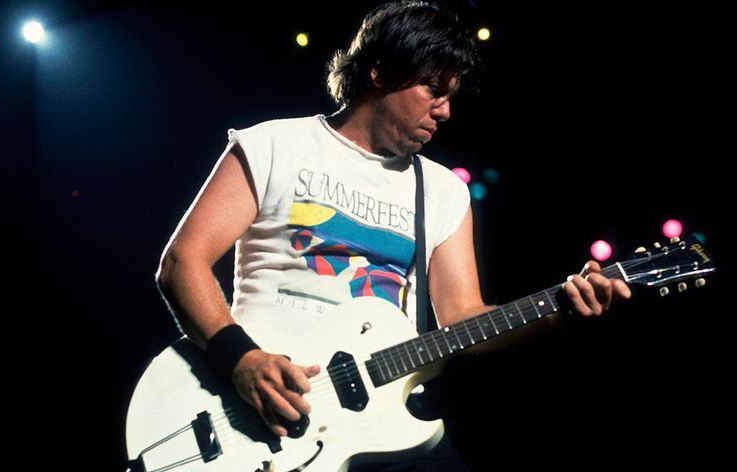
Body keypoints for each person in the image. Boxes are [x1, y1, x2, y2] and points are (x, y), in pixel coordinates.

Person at [156, 1, 631, 470]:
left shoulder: (443, 191)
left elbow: (463, 321)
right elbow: (182, 263)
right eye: (432, 90)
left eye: (451, 97)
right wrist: (242, 361)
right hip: (264, 405)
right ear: (379, 73)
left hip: (377, 418)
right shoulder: (274, 145)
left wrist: (558, 312)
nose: (444, 111)